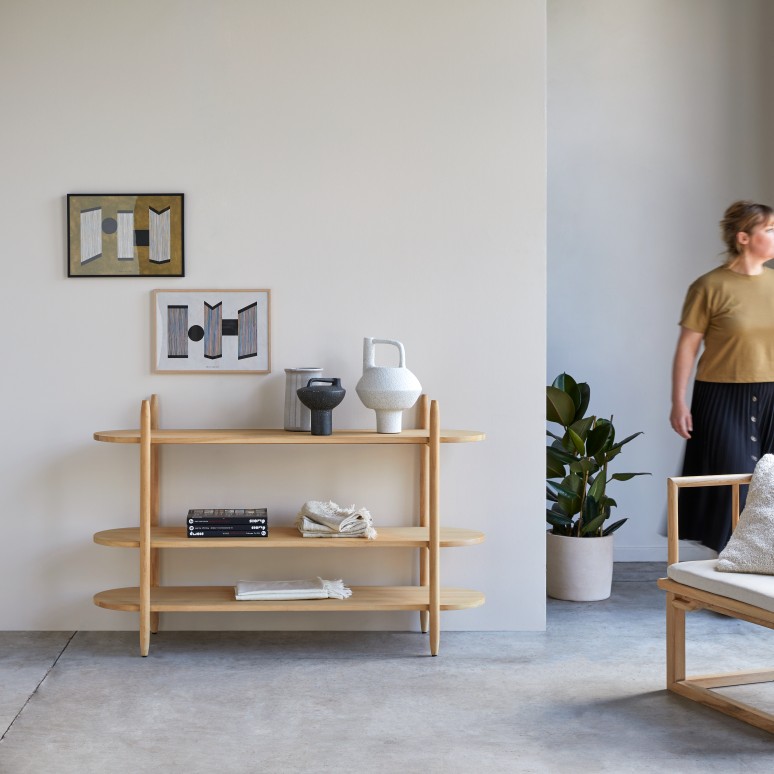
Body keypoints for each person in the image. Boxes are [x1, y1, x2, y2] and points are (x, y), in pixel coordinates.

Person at [671, 200, 774, 551]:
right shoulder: (709, 286)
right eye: (769, 230)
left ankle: (759, 576)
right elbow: (687, 347)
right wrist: (678, 402)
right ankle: (728, 576)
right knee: (731, 486)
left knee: (769, 486)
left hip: (772, 393)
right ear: (743, 237)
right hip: (721, 396)